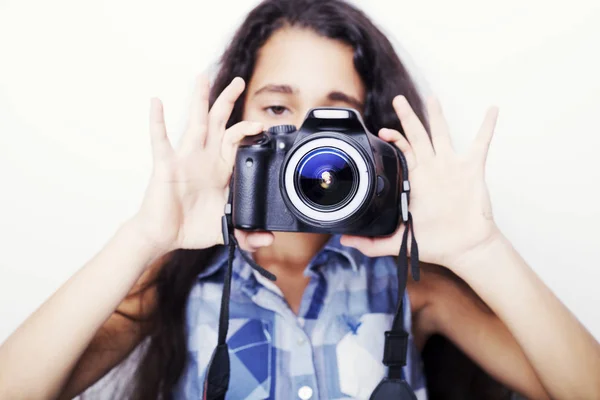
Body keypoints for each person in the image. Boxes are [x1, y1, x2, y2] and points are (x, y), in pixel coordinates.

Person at [0, 0, 599, 399]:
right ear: (238, 123)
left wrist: (482, 249)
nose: (310, 141)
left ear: (373, 141)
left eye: (334, 115)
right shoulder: (177, 286)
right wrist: (144, 238)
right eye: (279, 109)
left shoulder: (411, 287)